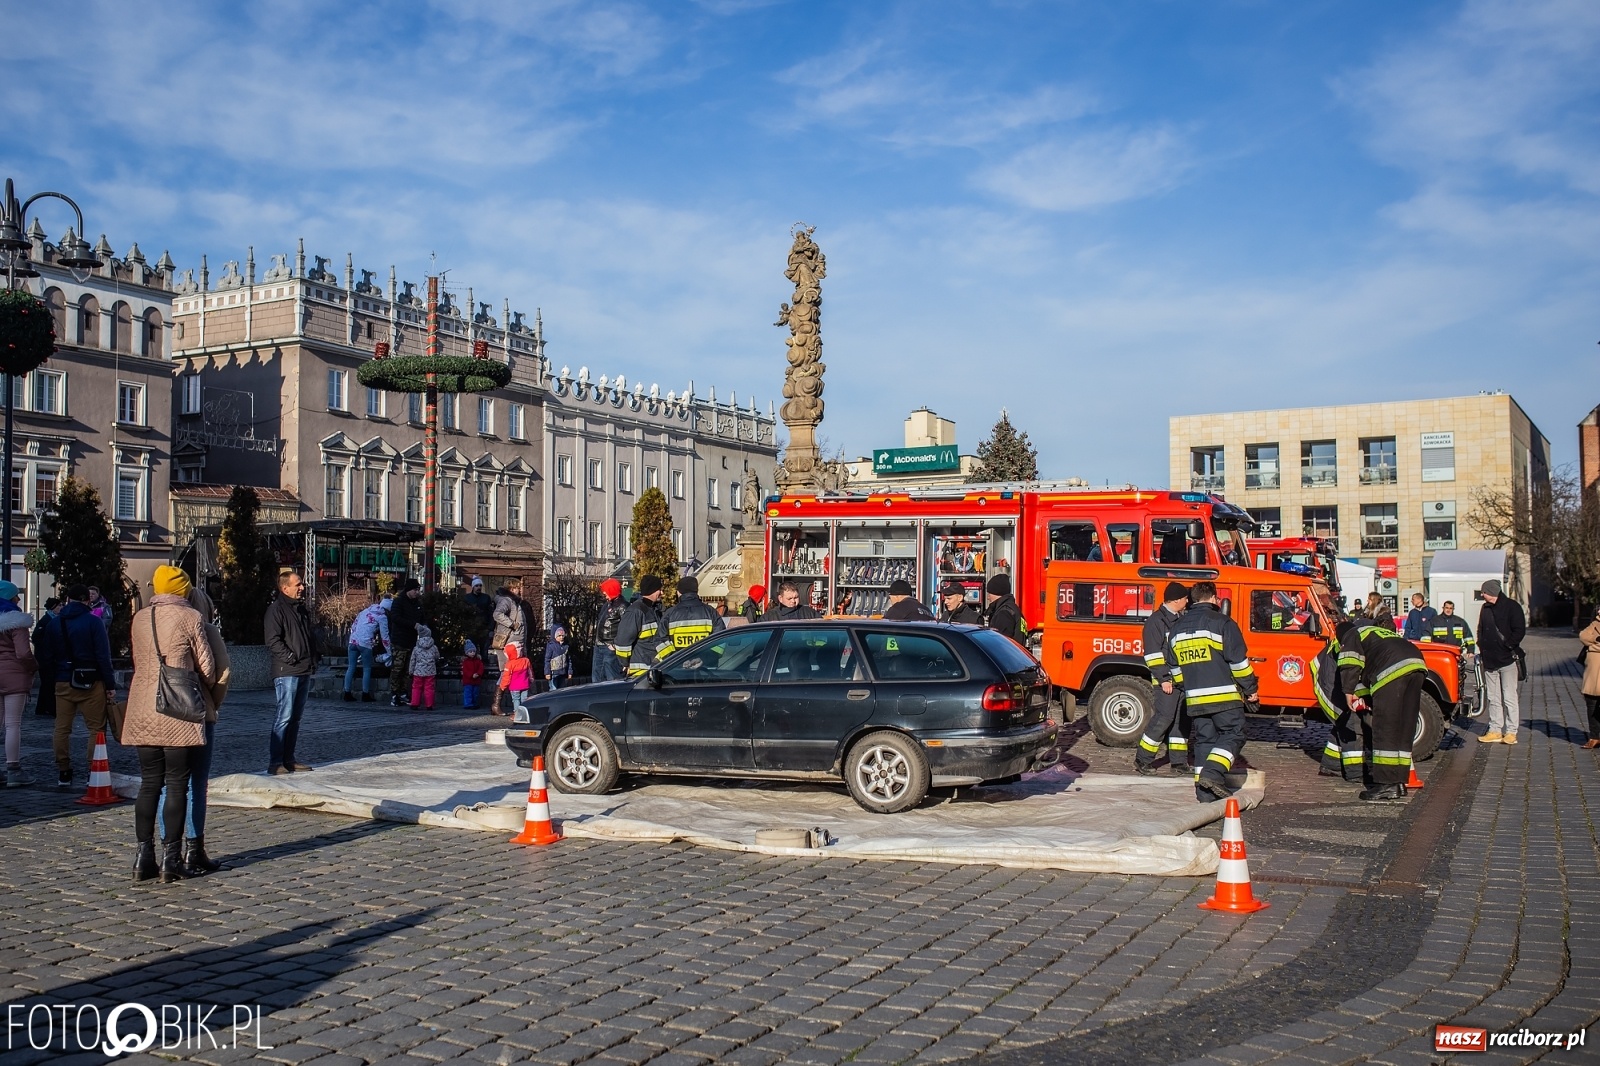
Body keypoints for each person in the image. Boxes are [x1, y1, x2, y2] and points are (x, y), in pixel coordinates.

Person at [124, 566, 218, 882]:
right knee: (178, 783)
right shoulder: (190, 618)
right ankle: (171, 861)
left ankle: (142, 858)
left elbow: (139, 661)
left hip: (142, 705)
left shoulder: (139, 618)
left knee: (150, 783)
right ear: (184, 590)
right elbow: (206, 666)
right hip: (178, 707)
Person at [1165, 581, 1258, 802]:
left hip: (1195, 699)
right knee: (1234, 733)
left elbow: (1175, 668)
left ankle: (1204, 794)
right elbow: (1238, 663)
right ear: (1214, 598)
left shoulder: (1176, 629)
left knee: (1205, 741)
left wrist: (1185, 687)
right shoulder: (1222, 622)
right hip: (1224, 696)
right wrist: (1250, 690)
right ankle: (1212, 774)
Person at [1335, 616, 1427, 802]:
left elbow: (1350, 663)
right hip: (1416, 663)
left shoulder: (1352, 634)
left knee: (1386, 727)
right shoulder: (1375, 632)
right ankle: (1399, 781)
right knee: (1403, 728)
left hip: (1391, 668)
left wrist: (1348, 692)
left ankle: (1386, 784)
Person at [37, 584, 117, 790]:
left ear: (67, 599)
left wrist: (53, 679)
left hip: (63, 680)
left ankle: (63, 771)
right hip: (92, 681)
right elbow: (103, 656)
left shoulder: (55, 624)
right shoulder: (94, 622)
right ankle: (93, 770)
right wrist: (110, 684)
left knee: (62, 728)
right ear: (87, 600)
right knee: (96, 729)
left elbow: (46, 656)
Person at [181, 581, 230, 875]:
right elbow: (221, 674)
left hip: (160, 711)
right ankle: (193, 849)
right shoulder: (207, 630)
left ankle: (165, 848)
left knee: (167, 784)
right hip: (198, 710)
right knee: (197, 784)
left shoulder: (146, 622)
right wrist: (213, 704)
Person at [264, 569, 318, 775]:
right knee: (284, 716)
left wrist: (313, 659)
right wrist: (290, 658)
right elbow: (273, 640)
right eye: (298, 584)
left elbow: (307, 637)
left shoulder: (300, 610)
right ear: (285, 588)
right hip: (287, 670)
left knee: (295, 718)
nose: (302, 587)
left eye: (302, 584)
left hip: (304, 669)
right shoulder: (276, 610)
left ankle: (289, 758)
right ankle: (276, 762)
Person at [1135, 583, 1191, 777]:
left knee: (1181, 722)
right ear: (1176, 600)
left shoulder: (1180, 618)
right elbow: (1152, 654)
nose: (1187, 601)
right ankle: (1143, 759)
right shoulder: (1156, 621)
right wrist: (1164, 678)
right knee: (1163, 720)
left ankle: (1178, 762)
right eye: (1185, 598)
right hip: (1166, 682)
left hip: (1182, 681)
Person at [1476, 579, 1526, 744]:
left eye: (1483, 592)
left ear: (1490, 592)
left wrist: (1507, 645)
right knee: (1493, 697)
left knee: (1509, 697)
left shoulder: (1512, 607)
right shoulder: (1485, 608)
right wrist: (1481, 646)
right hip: (1489, 659)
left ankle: (1511, 732)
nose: (1482, 595)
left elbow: (1519, 630)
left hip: (1507, 660)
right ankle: (1495, 729)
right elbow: (1480, 629)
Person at [0, 581, 37, 787]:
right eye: (16, 595)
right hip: (14, 675)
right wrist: (33, 667)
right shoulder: (17, 621)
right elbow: (23, 653)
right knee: (13, 724)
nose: (19, 599)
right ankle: (13, 769)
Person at [659, 577, 724, 660]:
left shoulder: (669, 614)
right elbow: (720, 638)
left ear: (678, 592)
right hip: (707, 668)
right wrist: (707, 658)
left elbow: (660, 640)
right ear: (696, 591)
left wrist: (674, 660)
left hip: (676, 669)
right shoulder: (710, 612)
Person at [616, 575, 667, 676]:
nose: (662, 593)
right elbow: (623, 642)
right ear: (652, 591)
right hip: (641, 672)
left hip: (654, 669)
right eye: (659, 590)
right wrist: (625, 663)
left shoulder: (656, 610)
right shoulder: (636, 611)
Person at [344, 595, 391, 702]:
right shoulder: (382, 617)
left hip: (353, 641)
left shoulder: (365, 611)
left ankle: (347, 693)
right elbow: (385, 637)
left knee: (351, 667)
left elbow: (354, 626)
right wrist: (389, 651)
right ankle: (365, 694)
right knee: (367, 668)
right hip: (365, 644)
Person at [388, 579, 424, 707]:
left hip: (411, 641)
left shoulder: (417, 604)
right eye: (415, 590)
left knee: (408, 669)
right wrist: (413, 624)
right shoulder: (399, 601)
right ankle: (394, 694)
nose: (417, 592)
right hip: (399, 640)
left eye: (418, 590)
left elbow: (422, 618)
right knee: (397, 668)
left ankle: (403, 692)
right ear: (408, 590)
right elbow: (395, 618)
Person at [31, 598, 60, 721]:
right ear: (53, 607)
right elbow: (36, 637)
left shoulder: (53, 619)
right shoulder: (47, 620)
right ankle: (49, 707)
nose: (61, 607)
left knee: (46, 683)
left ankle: (42, 707)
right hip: (45, 657)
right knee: (48, 682)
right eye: (59, 606)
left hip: (48, 656)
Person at [592, 578, 626, 682]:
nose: (604, 593)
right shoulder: (607, 605)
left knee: (613, 678)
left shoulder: (623, 606)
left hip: (610, 648)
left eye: (605, 591)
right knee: (597, 679)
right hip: (599, 645)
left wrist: (616, 645)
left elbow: (626, 629)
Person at [1579, 607, 1600, 749]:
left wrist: (1594, 645)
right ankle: (1594, 737)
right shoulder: (1595, 624)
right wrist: (1596, 639)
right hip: (1593, 673)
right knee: (1591, 704)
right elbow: (1583, 636)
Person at [984, 573, 1024, 645]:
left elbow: (1001, 644)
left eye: (989, 593)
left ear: (996, 592)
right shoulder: (1013, 609)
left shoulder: (1004, 613)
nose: (988, 598)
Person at [408, 624, 438, 711]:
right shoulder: (434, 647)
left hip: (418, 671)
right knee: (429, 688)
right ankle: (429, 705)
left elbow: (412, 660)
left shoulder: (416, 648)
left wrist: (411, 671)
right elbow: (437, 657)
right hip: (430, 671)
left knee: (416, 687)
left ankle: (415, 704)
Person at [498, 640, 533, 714]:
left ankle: (517, 714)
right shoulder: (526, 660)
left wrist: (503, 686)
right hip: (525, 684)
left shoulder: (509, 664)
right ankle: (525, 714)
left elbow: (506, 677)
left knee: (516, 699)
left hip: (514, 686)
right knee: (525, 700)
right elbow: (530, 672)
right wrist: (531, 679)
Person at [463, 576, 494, 651]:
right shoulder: (467, 598)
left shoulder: (486, 598)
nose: (479, 587)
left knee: (484, 652)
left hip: (484, 628)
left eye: (480, 585)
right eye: (477, 586)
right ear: (473, 587)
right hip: (471, 629)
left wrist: (490, 628)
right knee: (471, 651)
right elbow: (464, 614)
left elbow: (491, 613)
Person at [461, 640, 485, 710]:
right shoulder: (465, 662)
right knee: (468, 693)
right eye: (470, 652)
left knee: (475, 693)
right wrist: (471, 675)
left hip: (476, 680)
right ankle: (468, 704)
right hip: (468, 680)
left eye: (473, 651)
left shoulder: (478, 660)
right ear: (466, 653)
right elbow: (465, 670)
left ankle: (475, 703)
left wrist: (478, 674)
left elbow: (481, 668)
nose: (472, 653)